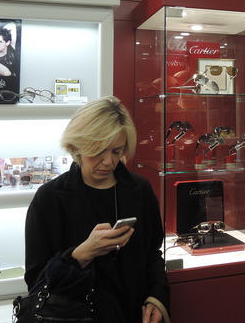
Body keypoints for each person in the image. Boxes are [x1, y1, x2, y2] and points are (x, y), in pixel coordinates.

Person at [24, 96, 170, 323]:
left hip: (135, 314)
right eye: (98, 150)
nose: (108, 162)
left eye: (116, 151)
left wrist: (156, 297)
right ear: (77, 146)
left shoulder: (140, 190)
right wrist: (81, 254)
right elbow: (36, 279)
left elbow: (152, 254)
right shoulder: (49, 198)